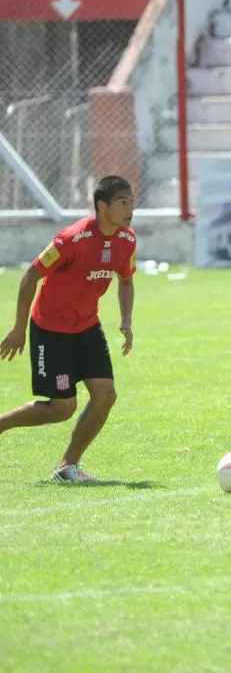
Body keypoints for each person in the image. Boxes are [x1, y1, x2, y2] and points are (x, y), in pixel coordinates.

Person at [0, 176, 137, 482]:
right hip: (51, 330)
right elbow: (30, 276)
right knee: (62, 408)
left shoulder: (127, 240)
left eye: (132, 202)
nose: (130, 209)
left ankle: (67, 466)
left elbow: (126, 281)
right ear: (102, 207)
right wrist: (19, 328)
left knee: (106, 395)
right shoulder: (71, 239)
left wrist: (126, 321)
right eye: (123, 202)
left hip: (87, 326)